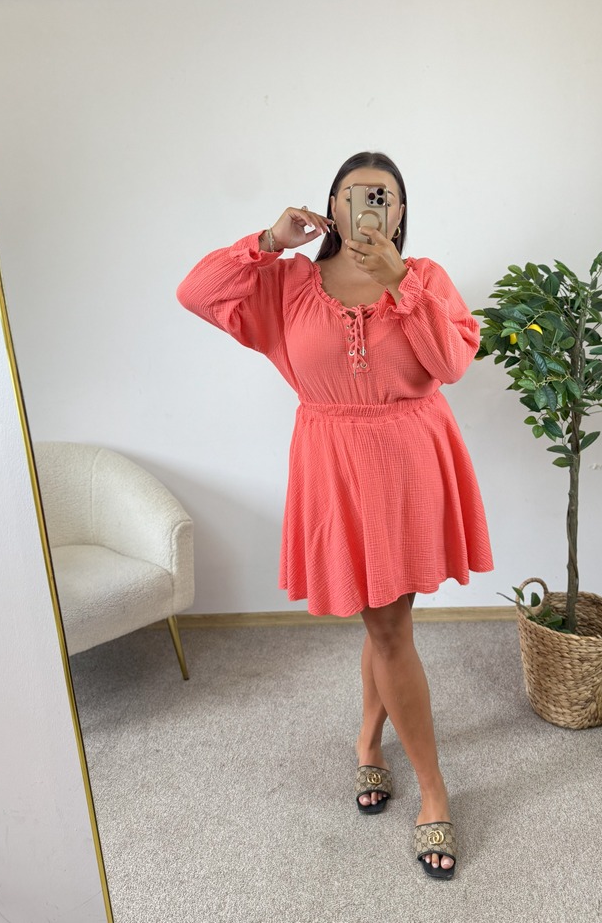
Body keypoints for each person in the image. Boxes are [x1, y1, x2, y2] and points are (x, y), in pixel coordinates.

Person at [176, 151, 493, 880]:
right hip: (334, 463)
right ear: (330, 208)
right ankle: (388, 756)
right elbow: (195, 292)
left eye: (383, 196)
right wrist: (268, 241)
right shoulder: (287, 283)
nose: (368, 207)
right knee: (384, 622)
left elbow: (450, 365)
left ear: (401, 212)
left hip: (412, 461)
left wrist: (398, 282)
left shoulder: (426, 278)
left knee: (388, 622)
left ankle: (410, 773)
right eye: (353, 195)